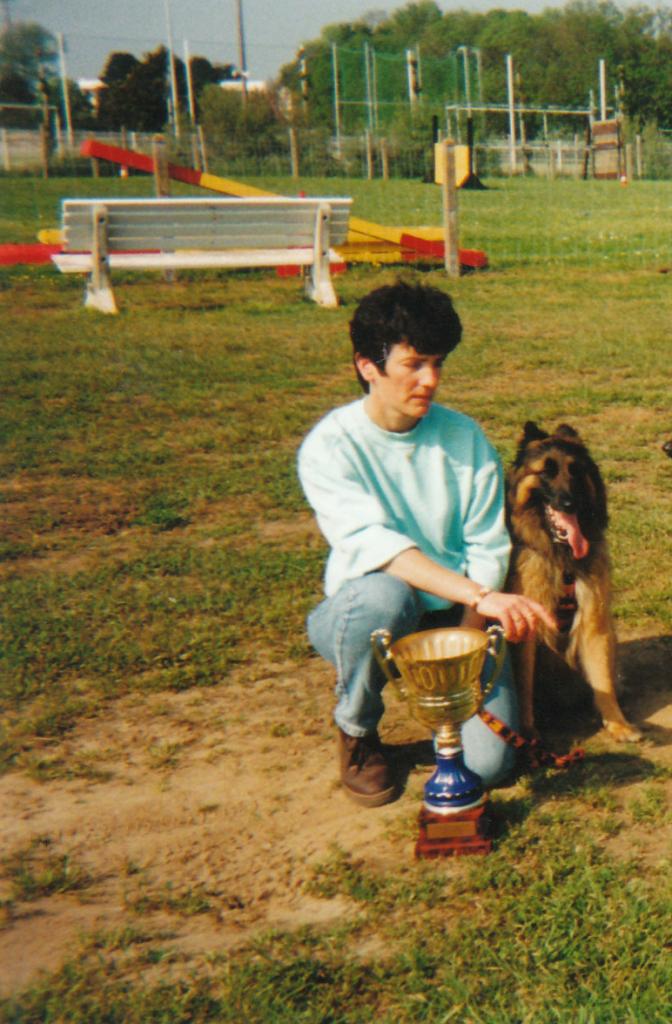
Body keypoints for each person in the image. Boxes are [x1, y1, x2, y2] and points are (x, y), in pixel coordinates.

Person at [297, 281, 554, 807]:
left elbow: (487, 547)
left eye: (437, 363)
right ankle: (357, 729)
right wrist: (482, 598)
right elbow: (384, 550)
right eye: (413, 364)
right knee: (384, 596)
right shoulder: (330, 446)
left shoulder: (465, 438)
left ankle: (448, 710)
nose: (430, 380)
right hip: (371, 615)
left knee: (489, 765)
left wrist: (465, 643)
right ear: (368, 365)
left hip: (459, 614)